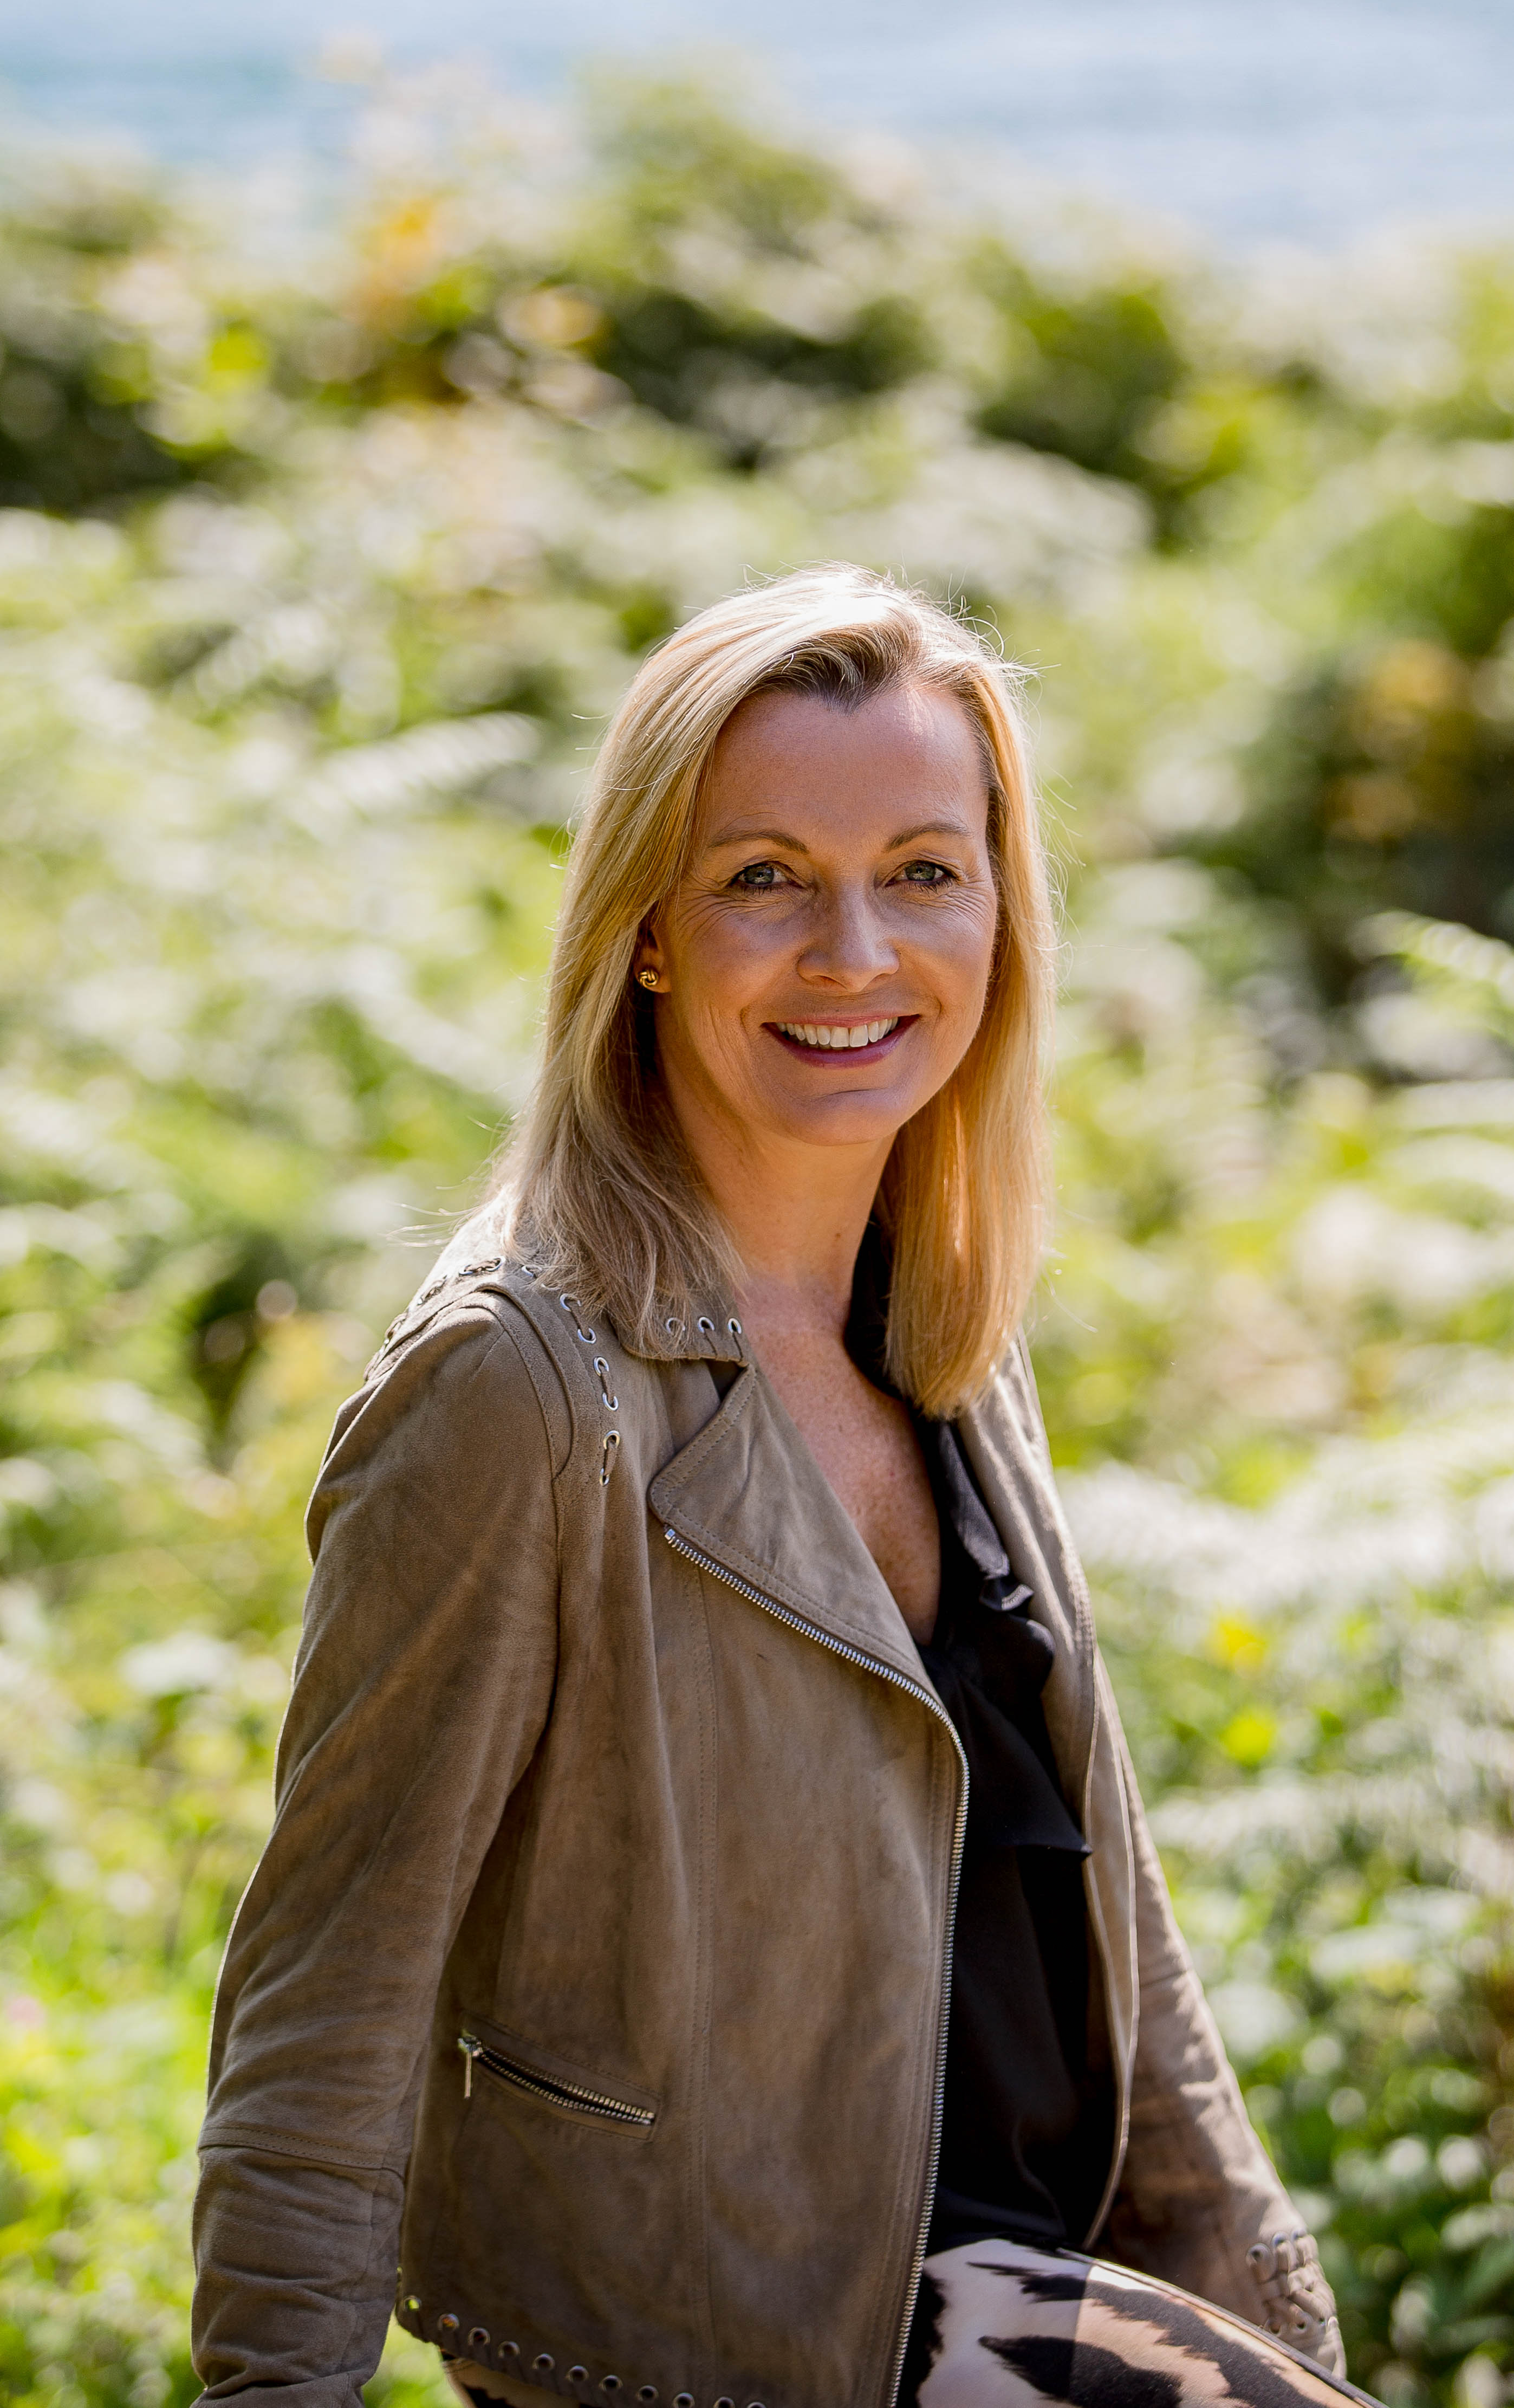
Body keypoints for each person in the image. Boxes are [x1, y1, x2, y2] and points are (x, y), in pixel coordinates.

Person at [191, 567, 1357, 2408]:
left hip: (1028, 2278)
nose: (857, 955)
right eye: (763, 879)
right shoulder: (520, 1383)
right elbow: (326, 2004)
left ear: (1000, 905)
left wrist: (1266, 2312)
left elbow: (1101, 1877)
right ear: (646, 929)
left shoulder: (944, 1309)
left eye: (921, 870)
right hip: (733, 2349)